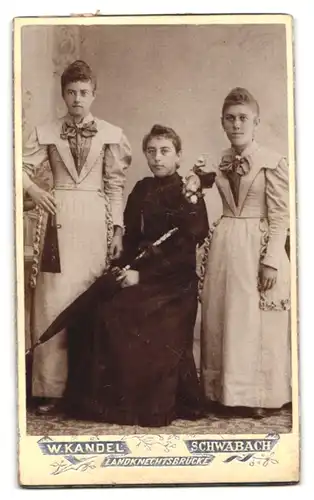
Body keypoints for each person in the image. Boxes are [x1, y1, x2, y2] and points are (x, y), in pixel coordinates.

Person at [65, 124, 209, 427]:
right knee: (97, 308)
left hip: (174, 284)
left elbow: (184, 251)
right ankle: (102, 403)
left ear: (179, 156)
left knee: (125, 313)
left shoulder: (189, 191)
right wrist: (125, 267)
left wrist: (142, 278)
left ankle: (139, 406)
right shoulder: (141, 189)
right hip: (140, 272)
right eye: (152, 151)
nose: (157, 158)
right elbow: (131, 240)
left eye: (165, 151)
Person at [23, 60, 132, 414]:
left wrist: (117, 229)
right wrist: (35, 191)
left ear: (94, 94)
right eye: (71, 93)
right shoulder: (46, 131)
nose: (77, 99)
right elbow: (13, 165)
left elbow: (115, 186)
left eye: (84, 93)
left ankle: (87, 388)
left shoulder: (111, 134)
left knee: (88, 296)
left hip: (94, 221)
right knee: (53, 298)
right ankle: (50, 388)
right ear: (63, 95)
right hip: (57, 219)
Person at [184, 88, 291, 418]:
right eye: (230, 118)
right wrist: (194, 185)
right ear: (222, 122)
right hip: (225, 241)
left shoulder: (272, 161)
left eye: (243, 117)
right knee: (223, 316)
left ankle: (258, 394)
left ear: (256, 121)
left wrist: (271, 259)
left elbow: (281, 215)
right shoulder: (218, 161)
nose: (236, 124)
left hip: (256, 244)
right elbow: (200, 197)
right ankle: (223, 393)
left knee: (251, 320)